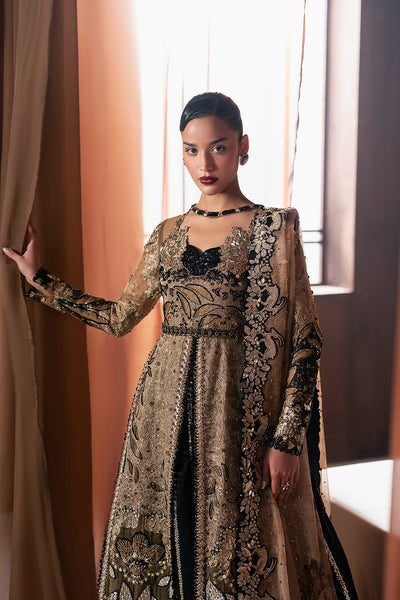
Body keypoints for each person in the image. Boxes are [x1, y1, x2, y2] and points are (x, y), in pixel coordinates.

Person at [3, 92, 357, 600]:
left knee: (236, 553)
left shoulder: (275, 229)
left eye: (218, 147)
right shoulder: (168, 234)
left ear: (243, 146)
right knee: (171, 543)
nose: (204, 164)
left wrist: (285, 439)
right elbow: (120, 317)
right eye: (192, 150)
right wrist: (42, 281)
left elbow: (305, 340)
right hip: (161, 415)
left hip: (237, 415)